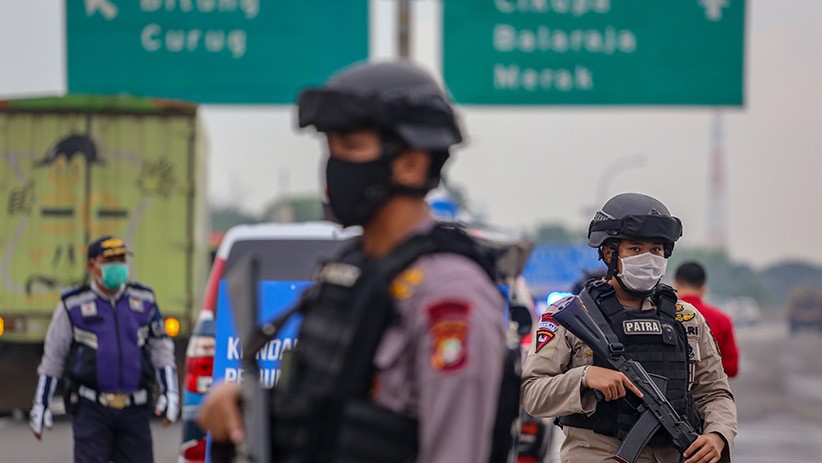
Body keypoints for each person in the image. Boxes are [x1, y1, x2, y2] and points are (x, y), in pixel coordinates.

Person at [198, 60, 515, 463]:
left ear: (412, 163)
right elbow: (328, 404)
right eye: (330, 148)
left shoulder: (449, 294)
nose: (334, 166)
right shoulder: (351, 269)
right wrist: (246, 401)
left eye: (351, 147)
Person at [521, 193, 737, 463]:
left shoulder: (686, 318)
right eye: (635, 249)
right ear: (610, 253)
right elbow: (532, 394)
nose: (648, 259)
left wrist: (717, 435)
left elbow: (715, 392)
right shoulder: (571, 315)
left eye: (656, 250)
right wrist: (585, 377)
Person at [29, 235, 179, 463]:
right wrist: (41, 403)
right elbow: (53, 357)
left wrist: (170, 393)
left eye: (121, 259)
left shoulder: (144, 300)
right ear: (92, 266)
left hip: (135, 410)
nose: (118, 266)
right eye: (110, 261)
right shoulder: (73, 304)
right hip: (92, 410)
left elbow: (161, 349)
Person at [674, 261, 740, 378]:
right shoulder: (722, 319)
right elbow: (731, 368)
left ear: (676, 285)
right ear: (704, 288)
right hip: (710, 392)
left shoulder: (661, 315)